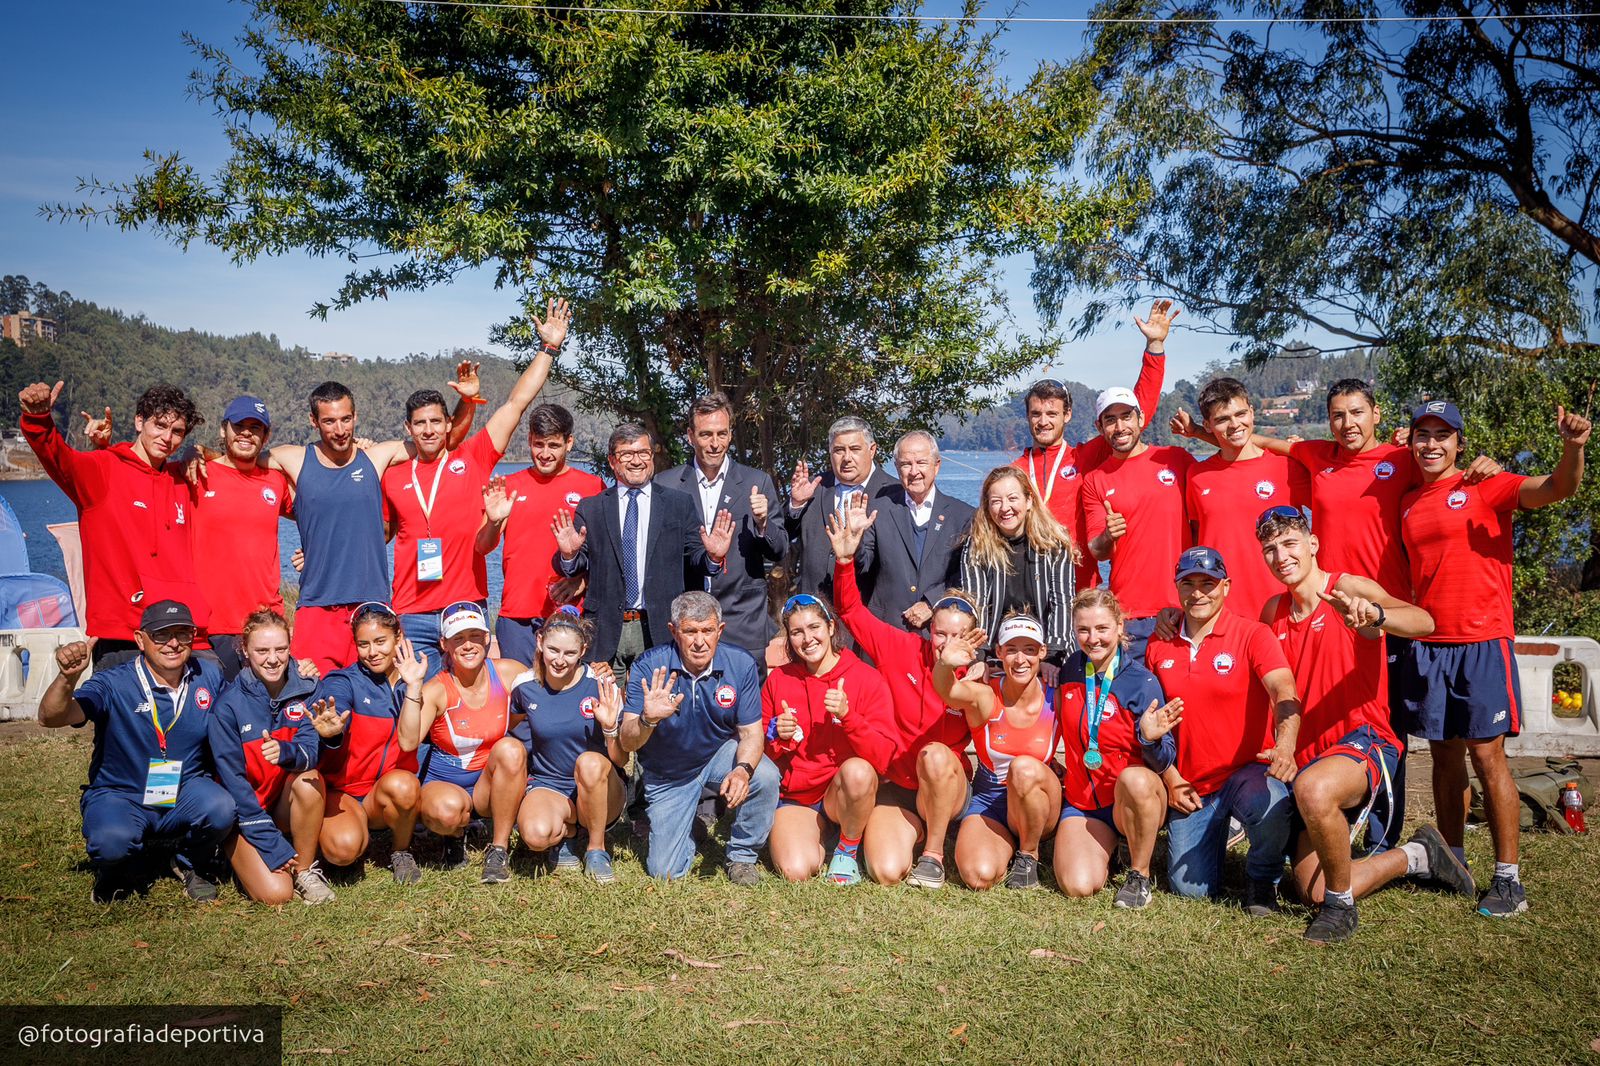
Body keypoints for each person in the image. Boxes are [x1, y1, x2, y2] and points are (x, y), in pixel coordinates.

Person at [1169, 378, 1502, 849]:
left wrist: (1481, 470)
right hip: (1290, 615)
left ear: (1377, 414)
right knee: (1299, 718)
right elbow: (1254, 449)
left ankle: (1385, 842)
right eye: (1338, 415)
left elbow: (1441, 471)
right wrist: (1211, 438)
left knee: (1385, 726)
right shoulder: (1308, 463)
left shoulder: (1396, 459)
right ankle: (1300, 828)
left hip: (1374, 609)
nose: (1348, 423)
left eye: (1357, 413)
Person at [1396, 400, 1590, 920]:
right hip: (1430, 645)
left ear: (1460, 443)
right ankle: (1453, 862)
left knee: (1488, 757)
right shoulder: (1409, 499)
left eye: (1443, 435)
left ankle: (1509, 880)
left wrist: (1574, 447)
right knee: (1442, 759)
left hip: (1483, 644)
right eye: (1423, 434)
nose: (1431, 444)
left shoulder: (1488, 485)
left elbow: (1557, 489)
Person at [1256, 504, 1474, 942]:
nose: (1281, 556)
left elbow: (1424, 621)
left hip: (1366, 739)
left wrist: (1375, 615)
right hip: (1312, 753)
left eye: (1290, 544)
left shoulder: (1347, 587)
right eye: (1270, 549)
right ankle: (1418, 855)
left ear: (1313, 544)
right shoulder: (1272, 611)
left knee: (1314, 792)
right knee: (1312, 888)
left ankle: (1342, 910)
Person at [242, 364, 483, 674]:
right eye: (329, 421)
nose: (340, 430)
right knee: (313, 698)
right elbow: (239, 457)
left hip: (371, 605)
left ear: (355, 417)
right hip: (318, 606)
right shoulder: (294, 459)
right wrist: (199, 456)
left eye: (345, 419)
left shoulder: (376, 457)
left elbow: (439, 439)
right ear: (313, 421)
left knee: (376, 702)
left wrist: (466, 401)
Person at [384, 300, 571, 676]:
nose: (429, 430)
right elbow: (376, 533)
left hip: (465, 605)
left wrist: (549, 348)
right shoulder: (392, 474)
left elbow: (517, 403)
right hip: (412, 611)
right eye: (419, 424)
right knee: (416, 701)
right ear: (408, 428)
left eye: (436, 421)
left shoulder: (472, 457)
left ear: (447, 422)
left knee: (472, 701)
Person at [823, 495, 976, 889]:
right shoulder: (901, 649)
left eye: (958, 635)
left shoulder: (976, 678)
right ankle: (911, 832)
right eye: (940, 632)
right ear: (929, 630)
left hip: (944, 785)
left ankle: (934, 854)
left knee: (937, 755)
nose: (946, 642)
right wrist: (844, 562)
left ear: (973, 637)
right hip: (899, 785)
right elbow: (852, 612)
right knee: (887, 871)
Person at [38, 600, 233, 902]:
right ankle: (115, 869)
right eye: (161, 635)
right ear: (140, 640)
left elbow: (246, 703)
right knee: (111, 841)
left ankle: (190, 862)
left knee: (221, 808)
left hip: (184, 787)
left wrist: (295, 672)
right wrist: (67, 678)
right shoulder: (113, 682)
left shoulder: (207, 675)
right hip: (122, 792)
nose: (173, 643)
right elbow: (51, 717)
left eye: (183, 633)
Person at [1144, 547, 1300, 913]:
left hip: (1246, 771)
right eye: (1189, 583)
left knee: (1273, 803)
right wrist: (1171, 779)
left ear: (1226, 586)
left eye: (1208, 583)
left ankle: (1263, 880)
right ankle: (1216, 837)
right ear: (1177, 588)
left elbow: (1284, 690)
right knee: (1190, 891)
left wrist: (1286, 744)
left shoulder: (1253, 635)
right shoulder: (1158, 642)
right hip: (1192, 783)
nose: (1198, 593)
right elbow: (1150, 721)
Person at [19, 381, 211, 665]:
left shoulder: (184, 479)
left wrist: (198, 451)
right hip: (122, 634)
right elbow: (57, 456)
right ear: (139, 421)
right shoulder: (102, 469)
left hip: (182, 634)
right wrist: (38, 418)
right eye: (159, 425)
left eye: (177, 432)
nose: (167, 437)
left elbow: (237, 458)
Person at [1012, 300, 1176, 591]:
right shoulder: (1015, 473)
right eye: (1036, 414)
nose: (1043, 422)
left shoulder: (1085, 457)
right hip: (1027, 588)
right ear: (1027, 417)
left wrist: (1155, 348)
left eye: (1052, 414)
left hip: (1079, 588)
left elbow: (1138, 411)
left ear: (1067, 415)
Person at [619, 592, 779, 884]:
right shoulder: (648, 666)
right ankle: (692, 828)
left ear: (720, 630)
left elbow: (752, 734)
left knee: (765, 775)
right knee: (665, 872)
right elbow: (627, 742)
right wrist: (647, 719)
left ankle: (742, 857)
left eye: (707, 630)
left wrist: (743, 771)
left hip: (716, 754)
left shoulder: (740, 664)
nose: (699, 641)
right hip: (668, 772)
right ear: (673, 631)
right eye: (690, 631)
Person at [554, 424, 734, 679]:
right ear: (613, 461)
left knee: (659, 707)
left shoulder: (678, 504)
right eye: (627, 454)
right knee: (604, 710)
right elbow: (576, 564)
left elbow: (696, 560)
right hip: (605, 630)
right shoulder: (592, 507)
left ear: (652, 457)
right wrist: (570, 554)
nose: (636, 461)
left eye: (643, 453)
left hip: (659, 627)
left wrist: (713, 557)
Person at [1051, 589, 1178, 907]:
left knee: (1135, 779)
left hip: (1131, 799)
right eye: (1083, 629)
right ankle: (1114, 849)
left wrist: (1150, 739)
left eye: (1102, 628)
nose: (1093, 638)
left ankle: (1140, 874)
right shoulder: (1070, 670)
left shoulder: (1141, 681)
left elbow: (1165, 758)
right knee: (1077, 885)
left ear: (1120, 626)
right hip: (1084, 802)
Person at [761, 593, 897, 884]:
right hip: (798, 796)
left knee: (858, 771)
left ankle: (847, 849)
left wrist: (849, 717)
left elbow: (885, 758)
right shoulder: (778, 680)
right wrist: (776, 734)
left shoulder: (866, 677)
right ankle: (822, 834)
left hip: (844, 793)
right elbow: (759, 745)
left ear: (831, 627)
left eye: (814, 628)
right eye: (797, 632)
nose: (807, 639)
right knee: (795, 870)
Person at [208, 609, 340, 905]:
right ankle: (230, 852)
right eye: (262, 650)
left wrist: (286, 752)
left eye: (281, 649)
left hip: (280, 803)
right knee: (277, 894)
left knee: (309, 780)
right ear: (244, 649)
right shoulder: (227, 707)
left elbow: (310, 755)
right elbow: (234, 787)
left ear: (291, 644)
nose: (273, 659)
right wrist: (272, 846)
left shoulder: (308, 688)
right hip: (244, 816)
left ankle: (305, 871)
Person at [398, 602, 528, 882]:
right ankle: (455, 834)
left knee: (512, 749)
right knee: (447, 812)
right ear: (444, 644)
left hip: (486, 787)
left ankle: (499, 849)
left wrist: (590, 673)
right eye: (458, 638)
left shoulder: (510, 673)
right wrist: (413, 686)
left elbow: (549, 688)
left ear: (487, 638)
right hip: (445, 784)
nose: (468, 645)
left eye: (474, 636)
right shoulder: (436, 689)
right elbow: (408, 743)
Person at [932, 614, 1064, 891]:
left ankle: (1029, 856)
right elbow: (949, 692)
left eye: (1029, 650)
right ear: (999, 652)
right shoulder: (985, 695)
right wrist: (945, 664)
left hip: (1040, 803)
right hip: (991, 800)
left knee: (1024, 768)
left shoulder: (1058, 695)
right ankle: (1005, 845)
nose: (1020, 660)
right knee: (978, 875)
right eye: (1012, 650)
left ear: (1042, 652)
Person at [657, 391, 790, 659]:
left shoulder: (757, 482)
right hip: (685, 624)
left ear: (730, 435)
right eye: (706, 434)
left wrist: (763, 524)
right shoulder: (665, 484)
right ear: (691, 436)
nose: (715, 443)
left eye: (722, 434)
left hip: (743, 620)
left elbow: (780, 550)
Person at [475, 402, 604, 665]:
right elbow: (482, 547)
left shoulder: (592, 486)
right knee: (520, 696)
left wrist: (582, 582)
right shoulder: (509, 486)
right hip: (516, 617)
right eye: (538, 444)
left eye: (553, 445)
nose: (544, 454)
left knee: (568, 698)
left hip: (569, 614)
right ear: (530, 440)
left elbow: (608, 554)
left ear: (569, 443)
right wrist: (494, 520)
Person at [510, 610, 629, 883]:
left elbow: (621, 760)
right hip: (549, 784)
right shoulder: (525, 686)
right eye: (553, 650)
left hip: (600, 788)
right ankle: (570, 831)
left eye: (570, 653)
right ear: (539, 642)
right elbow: (512, 726)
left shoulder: (601, 684)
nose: (560, 661)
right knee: (536, 836)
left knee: (589, 761)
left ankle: (596, 848)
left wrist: (610, 728)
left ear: (583, 650)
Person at [311, 604, 427, 884]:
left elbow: (413, 743)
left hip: (384, 795)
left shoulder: (415, 680)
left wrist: (414, 687)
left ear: (398, 638)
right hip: (345, 793)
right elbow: (335, 705)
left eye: (380, 642)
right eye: (363, 644)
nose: (372, 652)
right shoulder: (344, 680)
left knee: (405, 785)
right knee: (343, 851)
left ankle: (400, 850)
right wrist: (333, 731)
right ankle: (338, 832)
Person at [1082, 386, 1197, 661]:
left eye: (1126, 416)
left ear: (1141, 418)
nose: (1120, 426)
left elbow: (1215, 492)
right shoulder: (1095, 480)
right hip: (1129, 616)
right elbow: (1097, 550)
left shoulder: (1176, 459)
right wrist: (1109, 535)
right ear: (1100, 427)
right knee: (1133, 702)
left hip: (1184, 608)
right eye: (1110, 420)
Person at [1181, 379, 1309, 619]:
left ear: (1252, 412)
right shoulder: (1197, 476)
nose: (1235, 424)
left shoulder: (1289, 468)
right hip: (1223, 611)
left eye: (1240, 414)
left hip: (1284, 606)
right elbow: (1197, 539)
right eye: (1222, 419)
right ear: (1207, 425)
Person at [188, 396, 296, 680]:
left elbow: (323, 517)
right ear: (224, 430)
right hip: (210, 628)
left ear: (266, 436)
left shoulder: (275, 480)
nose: (247, 432)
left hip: (264, 626)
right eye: (239, 426)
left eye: (255, 427)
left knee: (264, 718)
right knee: (213, 719)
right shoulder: (196, 473)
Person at [855, 430, 976, 631]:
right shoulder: (877, 509)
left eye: (921, 463)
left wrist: (932, 602)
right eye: (905, 464)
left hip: (938, 635)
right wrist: (854, 541)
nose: (914, 471)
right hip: (885, 631)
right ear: (896, 468)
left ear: (936, 466)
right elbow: (863, 565)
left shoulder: (963, 515)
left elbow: (965, 575)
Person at [957, 466, 1077, 661]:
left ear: (1029, 501)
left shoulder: (1055, 543)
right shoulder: (977, 545)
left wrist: (1053, 656)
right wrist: (979, 656)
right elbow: (975, 602)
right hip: (995, 651)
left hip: (1049, 649)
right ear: (987, 507)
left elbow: (1063, 603)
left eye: (1013, 498)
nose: (1005, 508)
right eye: (996, 501)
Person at [785, 415, 896, 605]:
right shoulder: (814, 487)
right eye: (839, 450)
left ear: (872, 450)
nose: (846, 458)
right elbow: (781, 537)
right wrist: (796, 505)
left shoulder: (893, 494)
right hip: (814, 611)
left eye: (854, 449)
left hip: (867, 612)